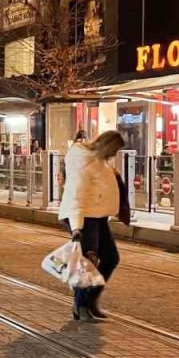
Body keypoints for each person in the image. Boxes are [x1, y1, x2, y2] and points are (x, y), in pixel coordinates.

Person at [58, 131, 125, 322]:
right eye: (115, 149)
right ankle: (81, 305)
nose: (115, 153)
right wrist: (77, 227)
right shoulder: (85, 162)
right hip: (83, 216)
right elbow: (76, 195)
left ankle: (90, 300)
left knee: (111, 258)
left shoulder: (100, 160)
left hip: (98, 216)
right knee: (87, 263)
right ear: (107, 145)